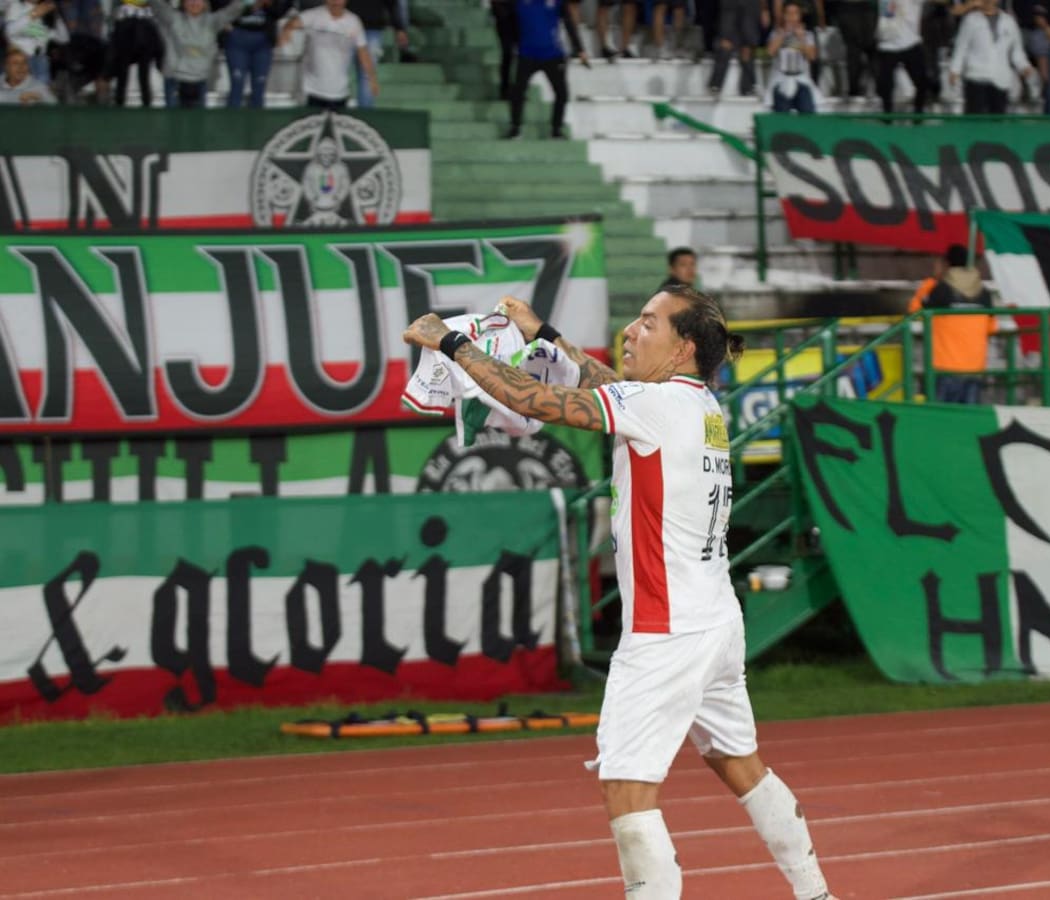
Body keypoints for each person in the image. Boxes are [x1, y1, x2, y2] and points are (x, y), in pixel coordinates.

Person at [403, 287, 838, 900]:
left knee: (627, 788)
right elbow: (610, 385)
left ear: (683, 347)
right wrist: (546, 336)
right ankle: (816, 893)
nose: (631, 330)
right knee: (742, 767)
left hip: (666, 632)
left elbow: (535, 399)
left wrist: (449, 342)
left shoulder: (655, 405)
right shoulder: (700, 404)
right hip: (715, 621)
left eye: (648, 322)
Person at [907, 244, 996, 404]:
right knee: (969, 423)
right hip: (975, 369)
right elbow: (992, 327)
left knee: (941, 422)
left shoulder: (941, 289)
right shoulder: (984, 293)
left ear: (946, 264)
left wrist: (931, 281)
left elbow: (915, 311)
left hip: (945, 367)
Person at [506, 0, 586, 140]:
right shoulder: (518, 3)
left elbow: (568, 23)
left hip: (553, 55)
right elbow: (510, 24)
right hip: (526, 54)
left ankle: (556, 130)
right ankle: (515, 128)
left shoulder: (557, 2)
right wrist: (513, 45)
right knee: (518, 91)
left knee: (561, 93)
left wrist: (579, 49)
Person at [148, 0, 250, 108]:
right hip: (174, 80)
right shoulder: (172, 18)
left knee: (198, 122)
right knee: (172, 122)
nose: (194, 3)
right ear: (183, 3)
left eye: (199, 0)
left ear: (205, 3)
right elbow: (156, 3)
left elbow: (235, 9)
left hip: (200, 81)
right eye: (190, 0)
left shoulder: (213, 21)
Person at [279, 0, 376, 109]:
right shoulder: (313, 15)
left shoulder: (353, 21)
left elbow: (363, 52)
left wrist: (372, 78)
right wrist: (286, 32)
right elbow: (292, 24)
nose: (335, 2)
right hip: (313, 91)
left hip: (340, 91)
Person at [948, 0, 1033, 112]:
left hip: (1001, 79)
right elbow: (961, 47)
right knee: (975, 121)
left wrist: (1024, 66)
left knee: (997, 123)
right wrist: (955, 70)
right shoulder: (971, 20)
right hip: (976, 77)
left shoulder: (1009, 21)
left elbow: (1016, 51)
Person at [214, 0, 291, 108]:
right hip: (237, 37)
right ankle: (231, 122)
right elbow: (216, 6)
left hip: (263, 39)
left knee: (259, 85)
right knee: (237, 83)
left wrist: (268, 3)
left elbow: (281, 10)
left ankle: (257, 122)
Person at [347, 0, 407, 108]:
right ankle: (336, 115)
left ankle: (365, 117)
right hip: (343, 25)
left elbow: (392, 3)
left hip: (372, 27)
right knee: (339, 71)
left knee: (367, 76)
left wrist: (399, 28)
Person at [765, 0, 821, 112]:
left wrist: (801, 38)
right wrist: (783, 33)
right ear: (784, 15)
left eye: (795, 13)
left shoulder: (808, 35)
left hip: (801, 80)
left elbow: (812, 56)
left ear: (800, 16)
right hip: (780, 80)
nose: (791, 17)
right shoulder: (776, 34)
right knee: (782, 116)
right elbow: (770, 52)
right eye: (788, 13)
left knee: (808, 113)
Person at [709, 0, 765, 96]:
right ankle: (716, 84)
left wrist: (764, 9)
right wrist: (723, 36)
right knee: (725, 44)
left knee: (747, 47)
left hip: (750, 8)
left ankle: (748, 86)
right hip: (730, 8)